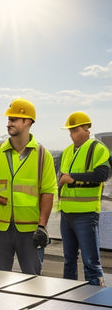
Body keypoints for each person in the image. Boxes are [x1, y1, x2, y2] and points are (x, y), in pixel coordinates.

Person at [0, 98, 57, 275]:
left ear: (27, 122)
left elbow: (47, 193)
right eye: (8, 120)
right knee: (0, 280)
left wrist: (42, 226)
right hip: (0, 229)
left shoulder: (43, 156)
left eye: (13, 119)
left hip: (30, 229)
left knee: (32, 280)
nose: (8, 124)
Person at [58, 111, 109, 287]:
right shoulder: (66, 152)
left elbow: (102, 174)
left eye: (75, 130)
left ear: (87, 129)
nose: (72, 135)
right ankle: (68, 297)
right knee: (68, 260)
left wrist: (72, 177)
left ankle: (96, 301)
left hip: (86, 215)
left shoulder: (98, 148)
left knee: (90, 262)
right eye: (70, 131)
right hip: (66, 214)